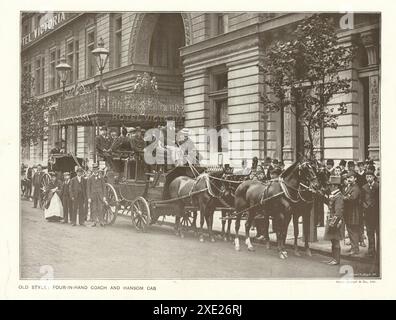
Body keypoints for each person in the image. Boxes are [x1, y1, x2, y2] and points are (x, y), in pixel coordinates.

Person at [323, 175, 344, 265]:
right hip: (331, 220)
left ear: (335, 186)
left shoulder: (338, 196)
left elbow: (338, 212)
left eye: (330, 185)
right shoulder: (334, 195)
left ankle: (336, 260)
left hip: (335, 221)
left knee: (335, 241)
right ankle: (333, 258)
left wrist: (332, 224)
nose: (329, 187)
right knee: (333, 240)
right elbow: (329, 203)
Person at [361, 170, 379, 257]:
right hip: (368, 213)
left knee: (378, 232)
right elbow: (361, 200)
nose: (368, 178)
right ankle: (371, 250)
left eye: (370, 177)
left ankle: (379, 251)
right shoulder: (364, 187)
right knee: (369, 232)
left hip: (377, 213)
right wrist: (365, 206)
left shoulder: (378, 186)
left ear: (373, 177)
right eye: (367, 177)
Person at [343, 171, 361, 256]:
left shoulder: (356, 188)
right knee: (350, 230)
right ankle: (353, 247)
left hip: (354, 212)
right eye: (348, 178)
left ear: (355, 179)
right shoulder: (349, 187)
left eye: (351, 178)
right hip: (349, 212)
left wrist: (343, 197)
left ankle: (355, 249)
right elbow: (348, 196)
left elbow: (352, 198)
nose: (349, 179)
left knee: (353, 231)